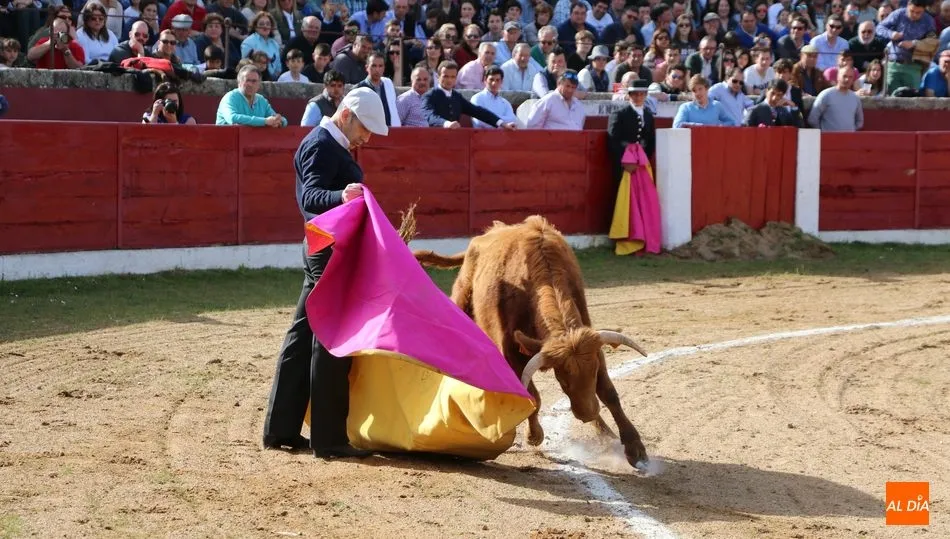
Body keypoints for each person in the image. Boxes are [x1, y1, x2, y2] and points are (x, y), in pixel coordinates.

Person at [263, 87, 390, 459]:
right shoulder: (320, 144)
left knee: (303, 336)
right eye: (364, 128)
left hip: (324, 246)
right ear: (346, 115)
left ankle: (281, 429)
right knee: (333, 336)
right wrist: (341, 197)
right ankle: (329, 437)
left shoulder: (329, 144)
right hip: (328, 250)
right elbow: (310, 198)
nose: (367, 138)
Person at [607, 79, 655, 183]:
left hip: (641, 162)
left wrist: (644, 159)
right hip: (623, 163)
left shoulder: (648, 116)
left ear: (646, 95)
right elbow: (613, 140)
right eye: (635, 94)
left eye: (641, 94)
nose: (638, 97)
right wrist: (624, 161)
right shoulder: (619, 114)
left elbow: (650, 140)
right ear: (629, 95)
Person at [215, 65, 287, 127]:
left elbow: (277, 118)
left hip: (252, 139)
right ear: (239, 82)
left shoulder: (261, 100)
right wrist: (265, 121)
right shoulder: (229, 98)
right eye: (247, 80)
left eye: (254, 81)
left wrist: (280, 122)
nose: (250, 84)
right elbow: (232, 118)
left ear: (259, 84)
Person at [808, 65, 863, 131]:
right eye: (844, 76)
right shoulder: (826, 95)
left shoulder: (855, 98)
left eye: (850, 77)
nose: (847, 79)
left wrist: (851, 130)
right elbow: (812, 119)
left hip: (849, 137)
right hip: (828, 137)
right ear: (838, 77)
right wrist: (823, 132)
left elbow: (860, 121)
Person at [672, 74, 737, 127]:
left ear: (707, 89)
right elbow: (677, 125)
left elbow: (731, 122)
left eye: (700, 89)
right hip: (693, 139)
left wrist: (719, 126)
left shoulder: (717, 106)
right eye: (694, 91)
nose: (697, 93)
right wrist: (699, 126)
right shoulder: (686, 107)